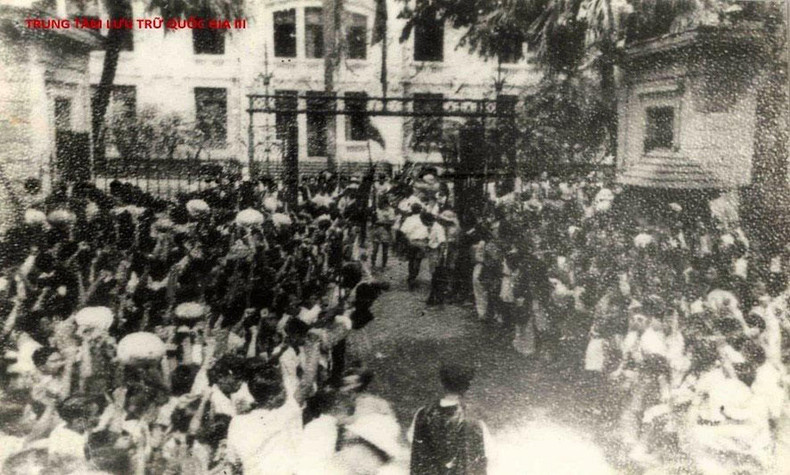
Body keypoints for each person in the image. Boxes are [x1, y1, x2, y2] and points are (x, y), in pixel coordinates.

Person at [409, 363, 491, 475]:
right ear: (467, 386)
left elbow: (412, 440)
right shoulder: (473, 418)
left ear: (442, 383)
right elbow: (488, 452)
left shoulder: (423, 413)